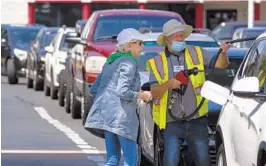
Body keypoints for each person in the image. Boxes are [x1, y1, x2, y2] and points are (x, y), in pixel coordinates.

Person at [147, 19, 231, 166]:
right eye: (176, 36)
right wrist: (169, 84)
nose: (181, 39)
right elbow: (154, 92)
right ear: (167, 39)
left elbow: (221, 65)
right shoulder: (157, 62)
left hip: (197, 120)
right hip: (172, 122)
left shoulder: (196, 52)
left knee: (203, 161)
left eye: (182, 36)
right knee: (170, 162)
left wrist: (223, 52)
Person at [85, 28, 151, 166]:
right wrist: (141, 95)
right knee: (130, 160)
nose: (142, 47)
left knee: (112, 159)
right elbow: (123, 91)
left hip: (108, 117)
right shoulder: (129, 62)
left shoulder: (112, 60)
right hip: (123, 118)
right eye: (139, 43)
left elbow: (95, 88)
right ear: (129, 45)